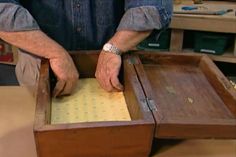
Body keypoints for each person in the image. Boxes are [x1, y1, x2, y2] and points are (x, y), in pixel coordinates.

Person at [0, 0, 172, 97]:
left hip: (114, 63)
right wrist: (55, 53)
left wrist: (113, 48)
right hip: (39, 63)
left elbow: (153, 5)